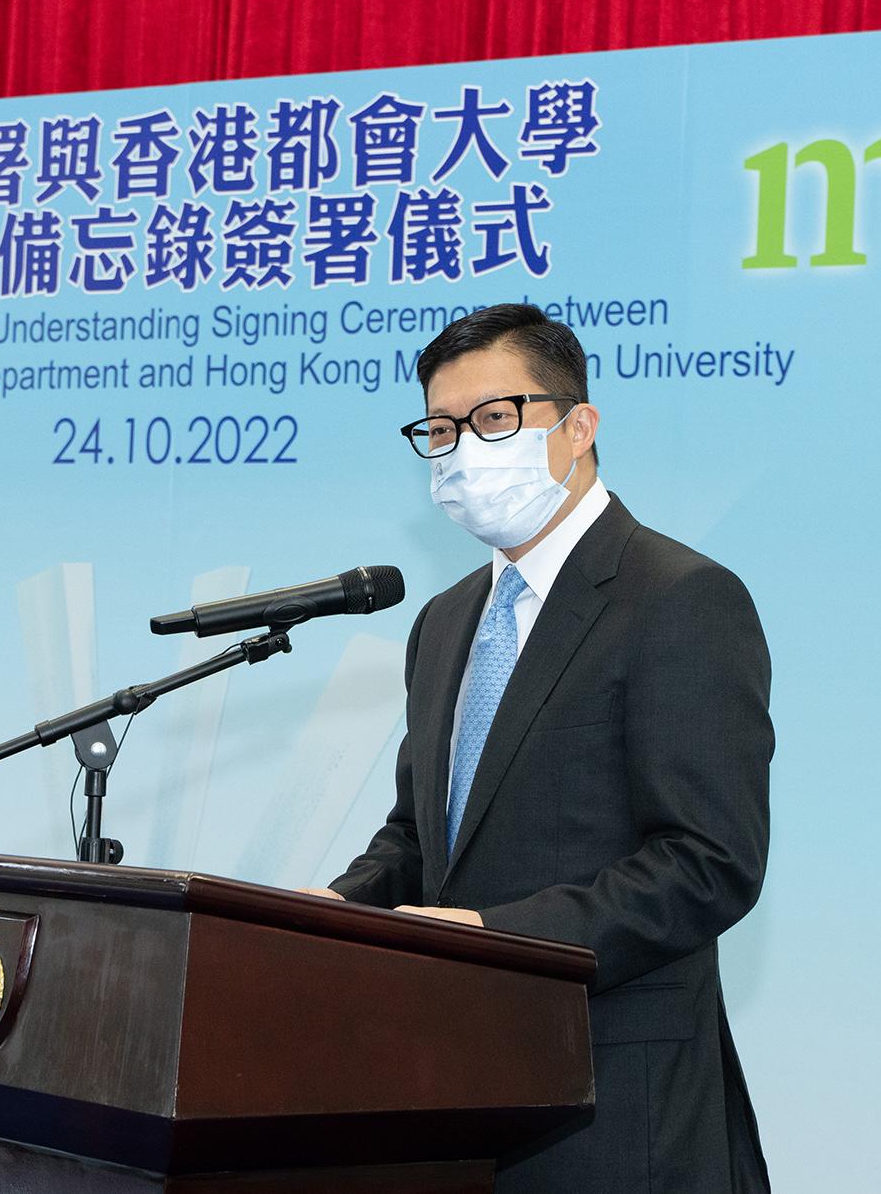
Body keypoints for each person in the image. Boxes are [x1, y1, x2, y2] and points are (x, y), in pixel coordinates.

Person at [313, 303, 773, 1193]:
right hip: (452, 1094)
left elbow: (707, 862)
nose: (462, 450)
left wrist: (498, 938)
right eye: (441, 430)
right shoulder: (445, 622)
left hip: (610, 1099)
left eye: (494, 419)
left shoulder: (679, 598)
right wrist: (330, 913)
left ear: (579, 426)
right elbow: (420, 838)